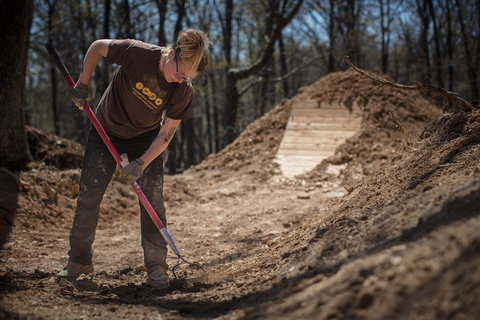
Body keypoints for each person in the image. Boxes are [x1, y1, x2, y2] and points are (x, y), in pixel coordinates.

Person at [56, 29, 212, 288]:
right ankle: (79, 261)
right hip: (104, 130)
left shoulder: (182, 90)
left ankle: (157, 269)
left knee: (153, 202)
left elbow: (167, 133)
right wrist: (82, 84)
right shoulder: (137, 53)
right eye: (179, 73)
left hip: (144, 140)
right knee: (89, 197)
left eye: (187, 78)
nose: (180, 80)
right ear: (171, 54)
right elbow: (96, 47)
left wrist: (142, 163)